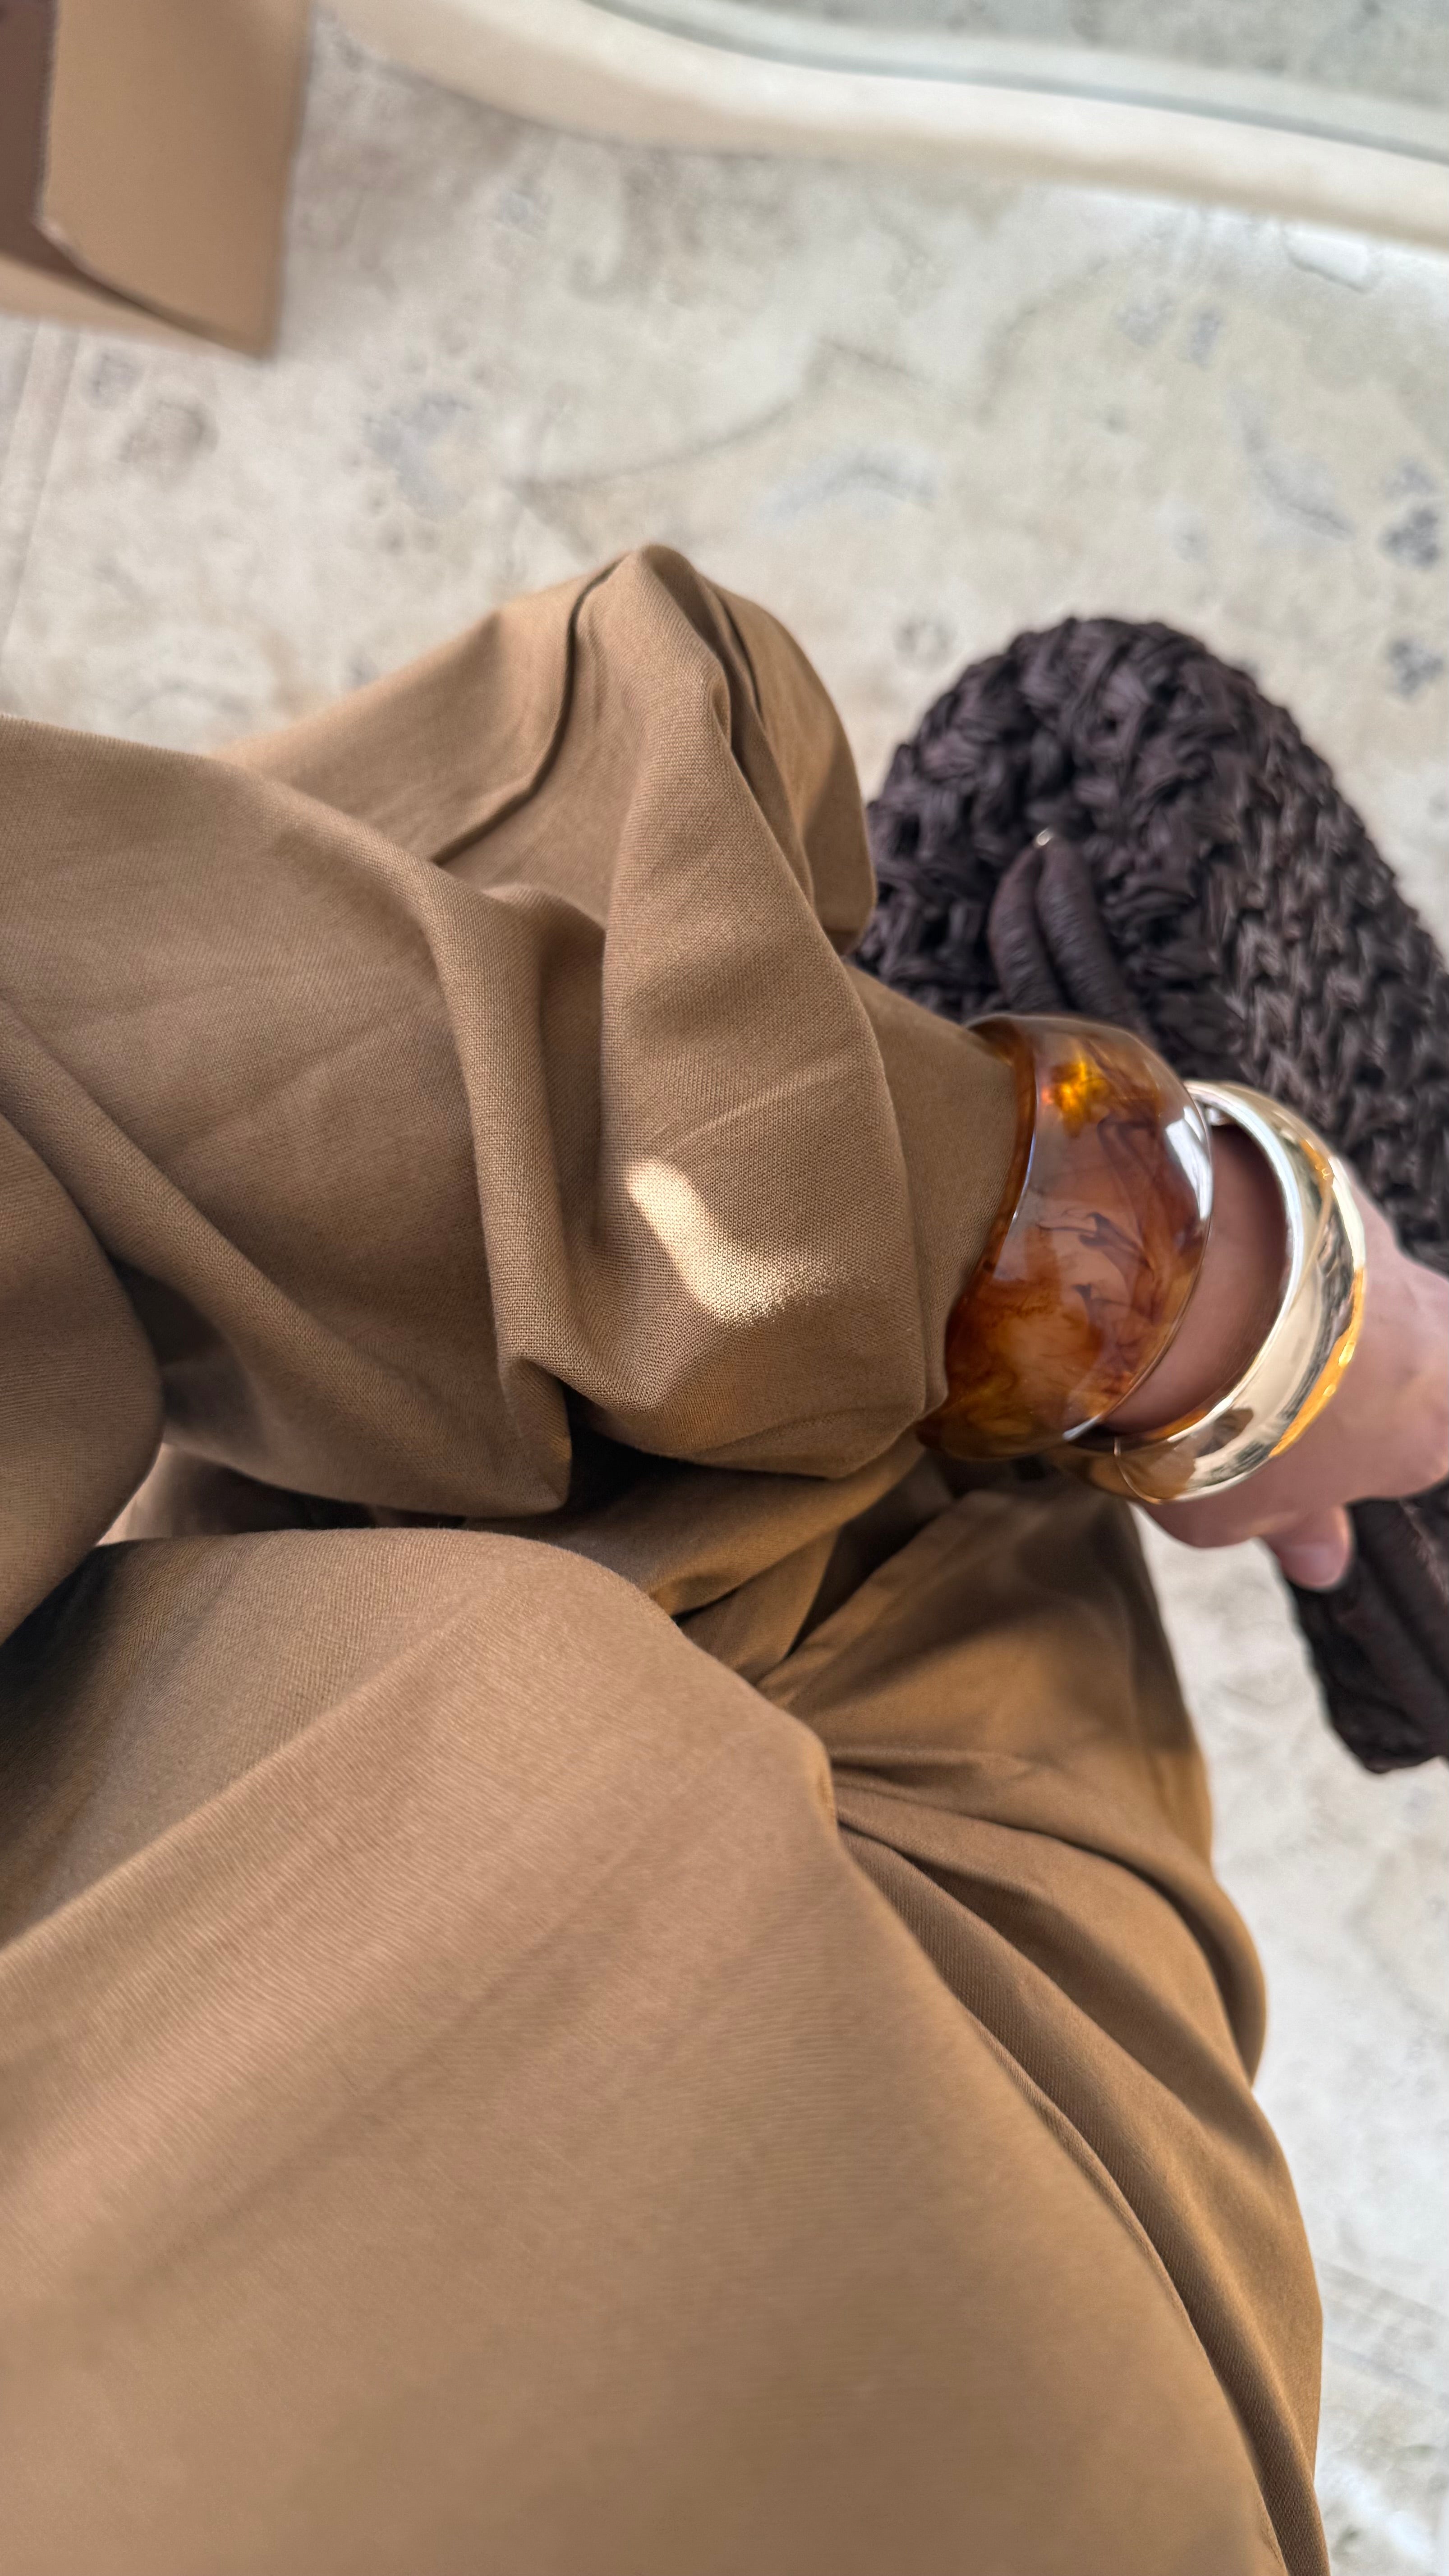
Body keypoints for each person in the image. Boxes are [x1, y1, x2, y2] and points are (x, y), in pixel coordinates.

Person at [1, 546, 1444, 2576]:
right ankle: (1002, 1236)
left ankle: (933, 1236)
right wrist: (1167, 1280)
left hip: (1084, 2411)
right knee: (636, 1078)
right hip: (869, 2024)